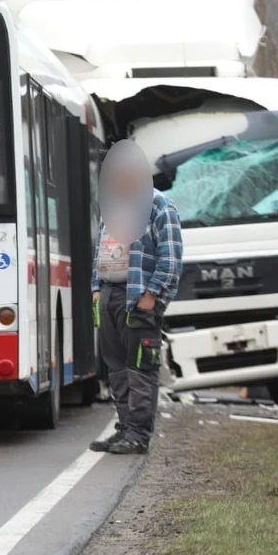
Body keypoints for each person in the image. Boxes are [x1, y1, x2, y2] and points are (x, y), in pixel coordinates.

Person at [90, 145, 183, 455]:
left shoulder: (159, 206)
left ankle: (139, 435)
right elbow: (100, 253)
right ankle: (125, 428)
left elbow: (171, 260)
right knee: (116, 368)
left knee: (140, 368)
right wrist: (96, 290)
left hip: (138, 298)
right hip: (109, 296)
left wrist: (151, 296)